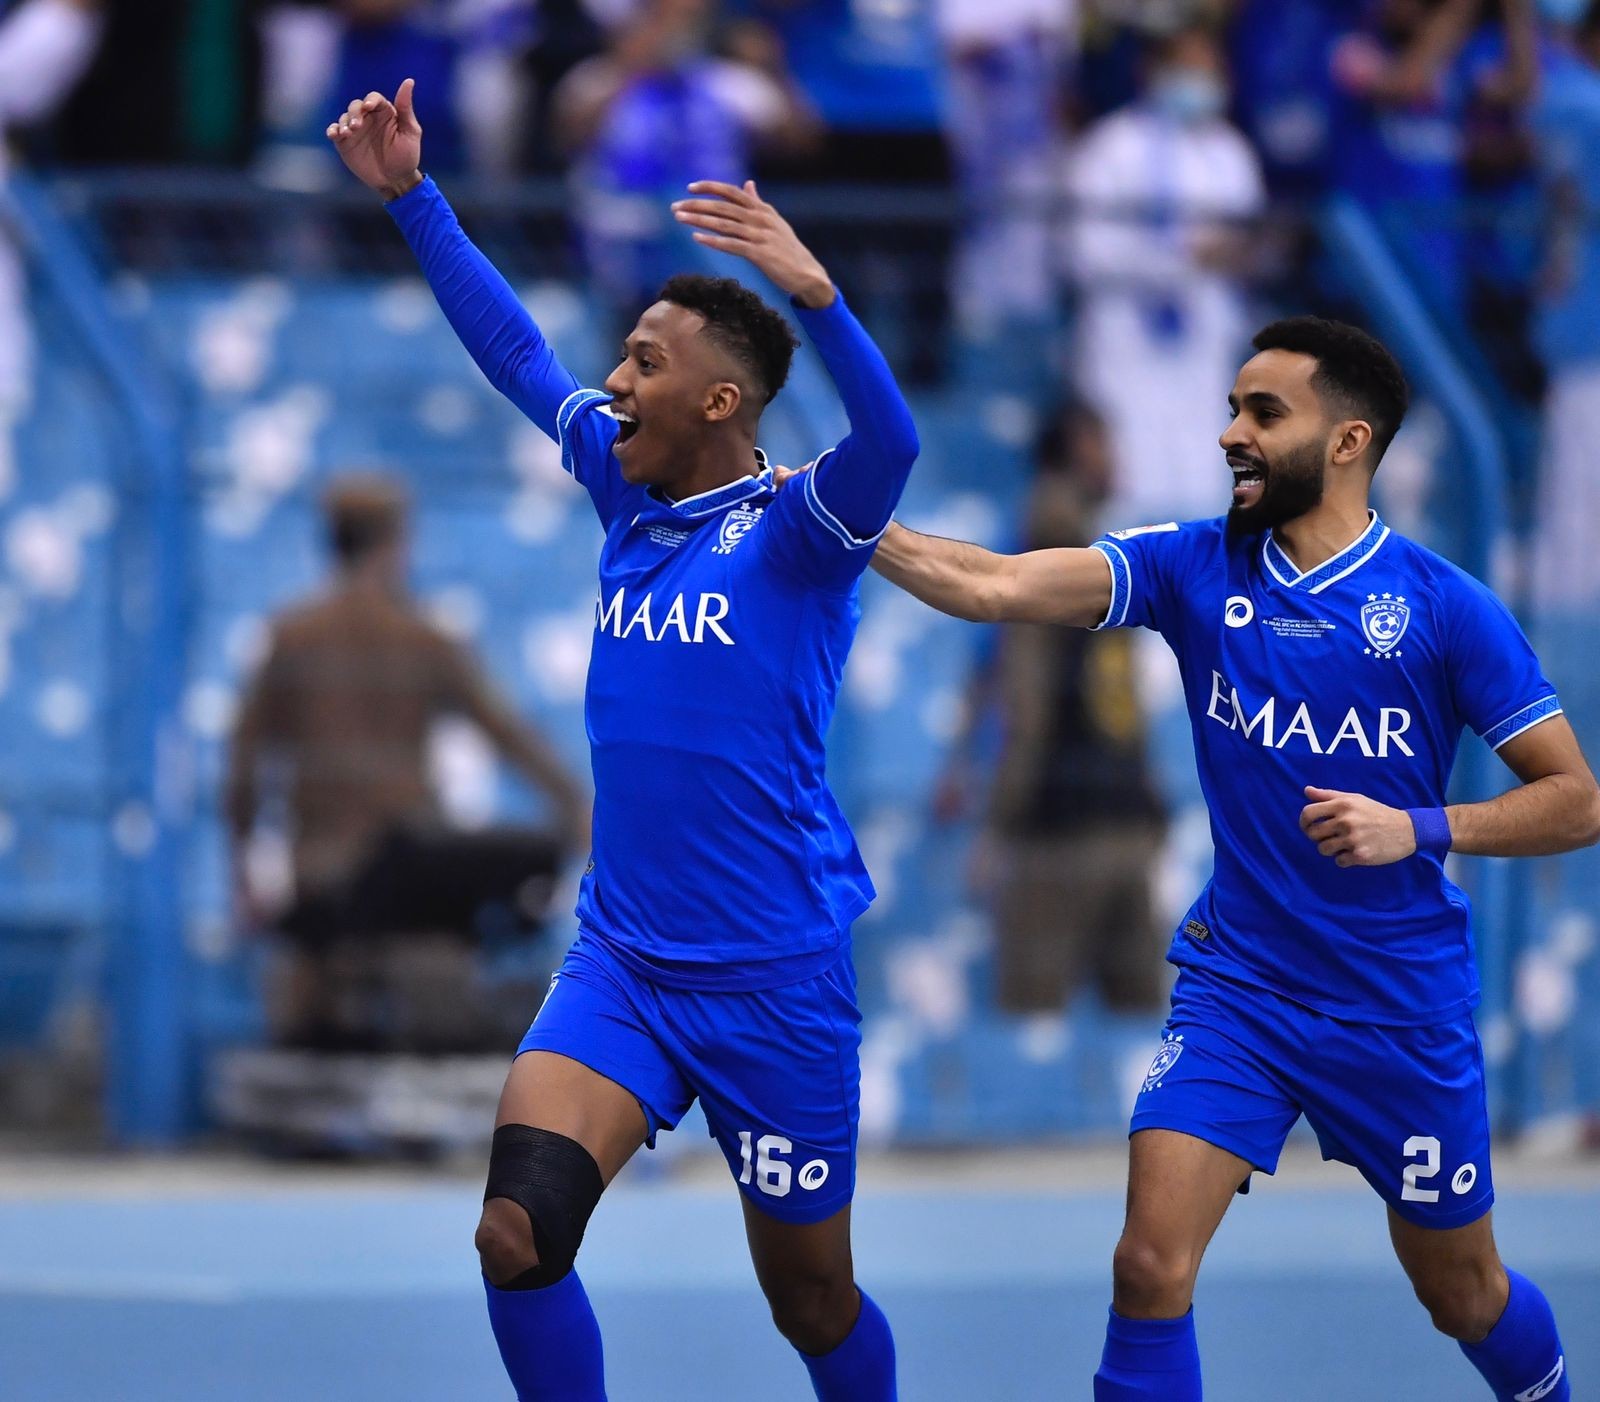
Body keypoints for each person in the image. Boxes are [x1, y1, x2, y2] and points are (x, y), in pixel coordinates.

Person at [866, 316, 1598, 1400]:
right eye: (1230, 410)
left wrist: (1421, 827)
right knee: (1148, 1265)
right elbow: (996, 585)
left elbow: (1576, 800)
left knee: (1463, 1293)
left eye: (1263, 412)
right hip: (1239, 989)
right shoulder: (1191, 565)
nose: (1229, 435)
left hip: (1396, 1006)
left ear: (1347, 440)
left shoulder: (1445, 608)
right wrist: (849, 522)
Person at [327, 77, 916, 1401]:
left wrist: (815, 294)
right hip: (627, 965)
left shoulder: (800, 531)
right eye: (625, 355)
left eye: (648, 363)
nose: (615, 380)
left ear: (721, 403)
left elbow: (893, 439)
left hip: (777, 982)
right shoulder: (623, 485)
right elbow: (520, 357)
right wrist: (413, 198)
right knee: (515, 1231)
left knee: (812, 1300)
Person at [226, 474, 588, 1050]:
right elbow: (510, 736)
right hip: (413, 869)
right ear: (395, 545)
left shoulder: (290, 638)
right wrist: (576, 811)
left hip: (321, 873)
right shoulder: (424, 639)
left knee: (309, 1008)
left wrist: (242, 866)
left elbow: (244, 766)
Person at [937, 400, 1167, 1021]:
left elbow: (1017, 693)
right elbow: (1029, 698)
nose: (1115, 460)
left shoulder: (1048, 549)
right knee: (1147, 1032)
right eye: (1101, 445)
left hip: (1067, 828)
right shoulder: (1082, 555)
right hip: (1088, 827)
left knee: (1033, 1032)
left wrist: (992, 818)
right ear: (1070, 455)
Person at [1064, 25, 1265, 528]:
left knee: (1204, 473)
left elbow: (1249, 244)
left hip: (1204, 337)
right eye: (1189, 68)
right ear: (1155, 72)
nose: (1202, 80)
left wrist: (1231, 256)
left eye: (1210, 68)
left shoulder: (1231, 153)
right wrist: (1176, 259)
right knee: (1131, 482)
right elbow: (1083, 253)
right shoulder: (1110, 147)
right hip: (1126, 338)